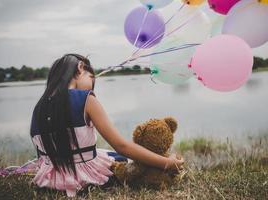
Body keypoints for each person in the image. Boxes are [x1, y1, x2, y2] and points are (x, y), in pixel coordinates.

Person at [29, 53, 184, 197]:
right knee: (127, 160)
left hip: (50, 182)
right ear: (80, 67)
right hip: (84, 179)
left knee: (110, 155)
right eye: (91, 78)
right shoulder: (86, 99)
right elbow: (121, 146)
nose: (91, 87)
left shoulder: (39, 107)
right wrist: (167, 163)